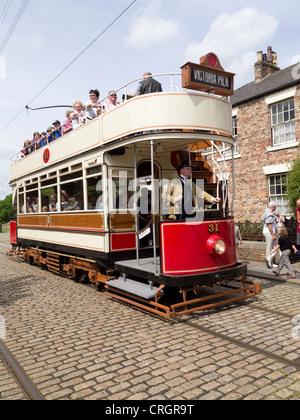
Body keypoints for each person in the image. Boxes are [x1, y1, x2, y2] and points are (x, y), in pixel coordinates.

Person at [261, 201, 283, 268]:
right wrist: (273, 235)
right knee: (270, 247)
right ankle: (269, 261)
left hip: (270, 232)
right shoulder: (269, 214)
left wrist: (279, 215)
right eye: (275, 206)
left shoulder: (269, 212)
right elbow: (269, 225)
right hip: (269, 233)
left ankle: (271, 262)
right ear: (273, 207)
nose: (276, 207)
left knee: (273, 247)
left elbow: (274, 213)